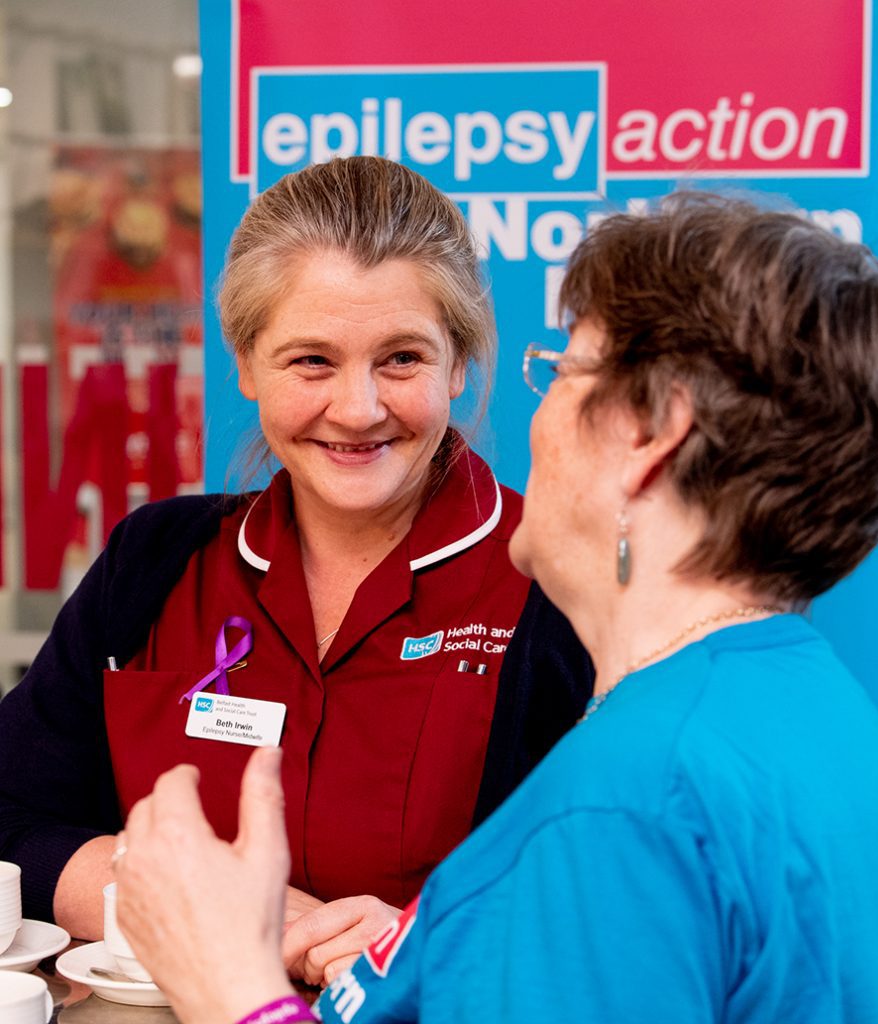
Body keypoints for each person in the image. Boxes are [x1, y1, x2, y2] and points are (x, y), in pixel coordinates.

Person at [113, 191, 878, 1023]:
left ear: (652, 436)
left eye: (562, 371)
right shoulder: (828, 725)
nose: (538, 413)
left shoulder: (622, 805)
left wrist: (231, 986)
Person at [0, 156, 591, 983]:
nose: (357, 409)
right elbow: (12, 814)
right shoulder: (154, 564)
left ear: (459, 364)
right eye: (311, 360)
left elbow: (617, 900)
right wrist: (175, 895)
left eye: (402, 359)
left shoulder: (564, 583)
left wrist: (421, 943)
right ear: (245, 364)